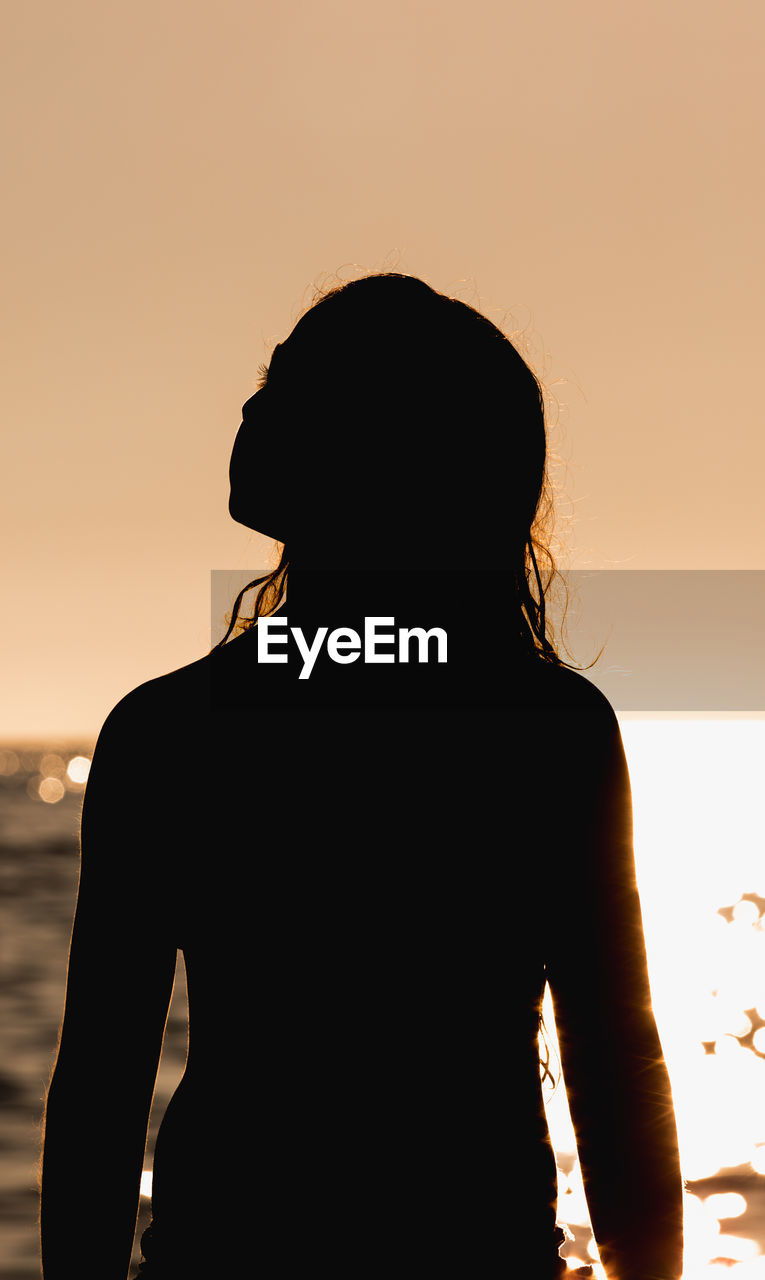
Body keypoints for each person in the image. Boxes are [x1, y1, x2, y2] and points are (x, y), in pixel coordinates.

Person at [39, 272, 684, 1280]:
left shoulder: (172, 731)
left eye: (287, 381)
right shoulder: (548, 729)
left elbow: (100, 1091)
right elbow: (613, 1062)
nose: (250, 403)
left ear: (378, 442)